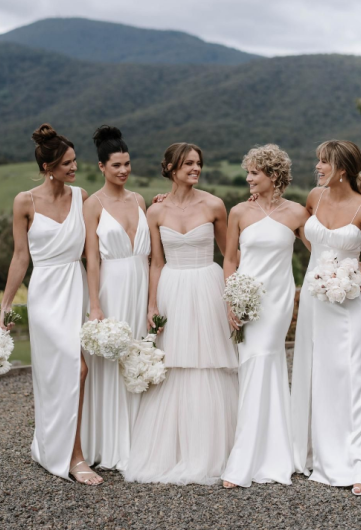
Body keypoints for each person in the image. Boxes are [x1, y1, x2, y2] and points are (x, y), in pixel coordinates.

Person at [123, 142, 238, 485]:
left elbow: (229, 255)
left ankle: (217, 449)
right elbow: (156, 262)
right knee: (173, 364)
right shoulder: (156, 211)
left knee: (209, 362)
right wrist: (152, 304)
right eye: (188, 163)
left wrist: (236, 295)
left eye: (198, 163)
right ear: (171, 168)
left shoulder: (215, 205)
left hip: (207, 285)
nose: (195, 168)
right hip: (172, 286)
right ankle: (172, 451)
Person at [0, 124, 102, 485]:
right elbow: (20, 258)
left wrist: (154, 202)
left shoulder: (82, 196)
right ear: (48, 167)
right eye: (67, 163)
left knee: (76, 370)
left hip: (75, 288)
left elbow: (97, 245)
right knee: (69, 371)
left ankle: (62, 448)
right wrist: (6, 305)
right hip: (45, 293)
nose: (74, 168)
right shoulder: (24, 201)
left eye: (75, 161)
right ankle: (71, 457)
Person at [291, 140, 361, 496]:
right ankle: (316, 452)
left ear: (342, 169)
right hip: (317, 299)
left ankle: (357, 464)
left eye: (323, 162)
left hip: (348, 305)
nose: (317, 166)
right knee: (317, 373)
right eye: (318, 160)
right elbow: (302, 229)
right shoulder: (314, 198)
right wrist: (321, 268)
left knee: (352, 379)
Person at [222, 144, 310, 488]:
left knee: (262, 361)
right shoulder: (239, 212)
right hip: (244, 299)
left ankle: (247, 461)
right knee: (253, 366)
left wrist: (343, 270)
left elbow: (319, 249)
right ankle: (269, 449)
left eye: (254, 173)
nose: (248, 178)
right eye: (247, 172)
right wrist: (230, 299)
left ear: (273, 176)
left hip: (277, 302)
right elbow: (230, 259)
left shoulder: (297, 213)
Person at [81, 125, 150, 471]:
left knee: (140, 356)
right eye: (116, 165)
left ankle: (142, 438)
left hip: (140, 283)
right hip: (112, 285)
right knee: (112, 361)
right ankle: (111, 442)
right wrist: (95, 304)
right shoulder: (92, 204)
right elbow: (91, 259)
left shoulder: (140, 200)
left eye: (127, 164)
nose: (123, 170)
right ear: (101, 167)